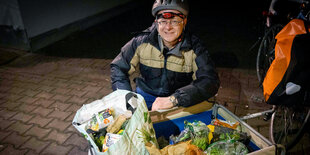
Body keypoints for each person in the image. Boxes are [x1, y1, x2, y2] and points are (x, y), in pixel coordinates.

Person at [110, 0, 220, 111]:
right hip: (145, 95)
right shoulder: (141, 41)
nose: (168, 27)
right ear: (156, 22)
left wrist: (175, 99)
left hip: (177, 99)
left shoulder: (195, 47)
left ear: (184, 21)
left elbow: (209, 80)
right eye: (163, 21)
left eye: (175, 21)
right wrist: (127, 98)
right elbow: (118, 67)